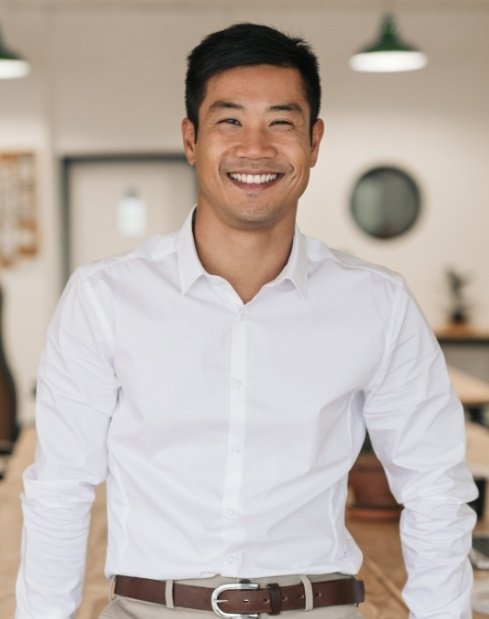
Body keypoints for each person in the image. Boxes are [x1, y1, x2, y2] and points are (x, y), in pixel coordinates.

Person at [16, 22, 477, 619]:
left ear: (314, 142)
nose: (255, 147)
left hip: (320, 606)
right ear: (191, 139)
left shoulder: (377, 303)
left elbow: (435, 486)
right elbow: (59, 489)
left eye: (281, 122)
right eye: (229, 120)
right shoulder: (104, 297)